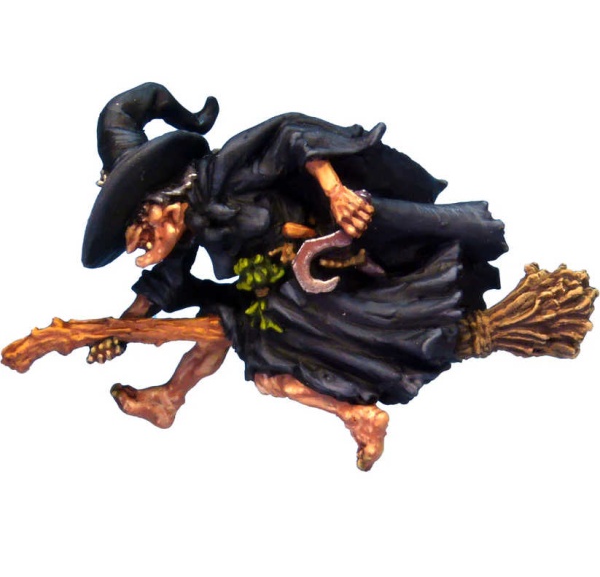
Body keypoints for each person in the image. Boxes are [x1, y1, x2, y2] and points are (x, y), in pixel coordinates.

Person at [82, 82, 507, 470]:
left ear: (162, 197)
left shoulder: (225, 173)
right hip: (285, 290)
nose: (140, 242)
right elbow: (164, 283)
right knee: (248, 349)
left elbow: (290, 134)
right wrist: (120, 330)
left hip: (325, 271)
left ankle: (350, 413)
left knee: (265, 361)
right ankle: (177, 398)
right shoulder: (188, 228)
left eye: (141, 221)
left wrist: (335, 191)